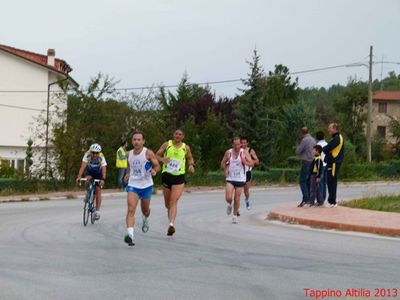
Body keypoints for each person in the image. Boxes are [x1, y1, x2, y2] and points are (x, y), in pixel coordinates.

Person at [123, 132, 160, 246]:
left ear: (143, 141)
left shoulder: (148, 153)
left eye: (139, 140)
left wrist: (155, 171)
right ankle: (130, 236)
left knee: (145, 210)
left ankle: (145, 217)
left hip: (146, 186)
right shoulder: (128, 154)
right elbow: (129, 167)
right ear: (132, 141)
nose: (136, 142)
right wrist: (127, 174)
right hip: (133, 185)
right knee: (131, 209)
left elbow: (157, 165)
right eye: (134, 139)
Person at [156, 129, 195, 236]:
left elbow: (190, 158)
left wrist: (191, 165)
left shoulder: (185, 147)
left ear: (183, 137)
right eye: (176, 134)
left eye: (180, 134)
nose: (178, 136)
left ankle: (171, 224)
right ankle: (170, 219)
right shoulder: (167, 144)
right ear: (173, 135)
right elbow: (156, 155)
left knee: (174, 201)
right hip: (167, 175)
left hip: (179, 177)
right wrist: (162, 159)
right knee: (167, 203)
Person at [221, 137, 254, 224]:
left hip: (240, 178)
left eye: (239, 144)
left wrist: (245, 162)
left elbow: (252, 163)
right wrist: (225, 170)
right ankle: (229, 205)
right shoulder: (228, 152)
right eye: (235, 144)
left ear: (241, 144)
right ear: (232, 144)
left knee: (237, 199)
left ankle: (234, 216)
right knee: (228, 197)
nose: (237, 146)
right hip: (230, 178)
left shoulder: (244, 153)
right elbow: (222, 163)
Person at [76, 143, 107, 220]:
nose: (95, 154)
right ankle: (88, 193)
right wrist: (79, 177)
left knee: (98, 191)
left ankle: (97, 211)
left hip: (98, 172)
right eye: (93, 152)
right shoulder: (87, 154)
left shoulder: (101, 157)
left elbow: (104, 169)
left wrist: (103, 179)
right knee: (87, 180)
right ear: (90, 152)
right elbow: (83, 166)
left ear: (99, 153)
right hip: (90, 171)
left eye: (97, 153)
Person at [322, 123, 344, 208]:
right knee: (330, 181)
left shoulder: (337, 138)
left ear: (334, 128)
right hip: (332, 162)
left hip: (334, 162)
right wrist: (327, 149)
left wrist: (327, 150)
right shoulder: (335, 137)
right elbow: (328, 148)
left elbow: (327, 148)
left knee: (332, 181)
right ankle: (331, 201)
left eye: (329, 128)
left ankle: (333, 202)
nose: (328, 130)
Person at [295, 127, 316, 207]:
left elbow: (298, 151)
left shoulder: (305, 140)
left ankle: (306, 199)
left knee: (302, 181)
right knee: (309, 181)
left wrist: (297, 149)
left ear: (302, 132)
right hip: (312, 162)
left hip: (306, 162)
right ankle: (310, 199)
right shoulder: (313, 140)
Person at [240, 136, 259, 210]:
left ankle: (247, 200)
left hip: (247, 172)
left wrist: (249, 161)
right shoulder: (238, 151)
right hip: (239, 172)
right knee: (237, 189)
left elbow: (257, 161)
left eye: (245, 143)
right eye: (242, 143)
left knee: (246, 190)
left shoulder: (251, 150)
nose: (243, 144)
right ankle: (236, 206)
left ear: (247, 143)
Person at [315, 131, 328, 201]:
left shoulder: (317, 145)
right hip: (326, 164)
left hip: (320, 165)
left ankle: (320, 199)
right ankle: (324, 197)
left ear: (317, 137)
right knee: (324, 183)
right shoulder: (327, 144)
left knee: (319, 182)